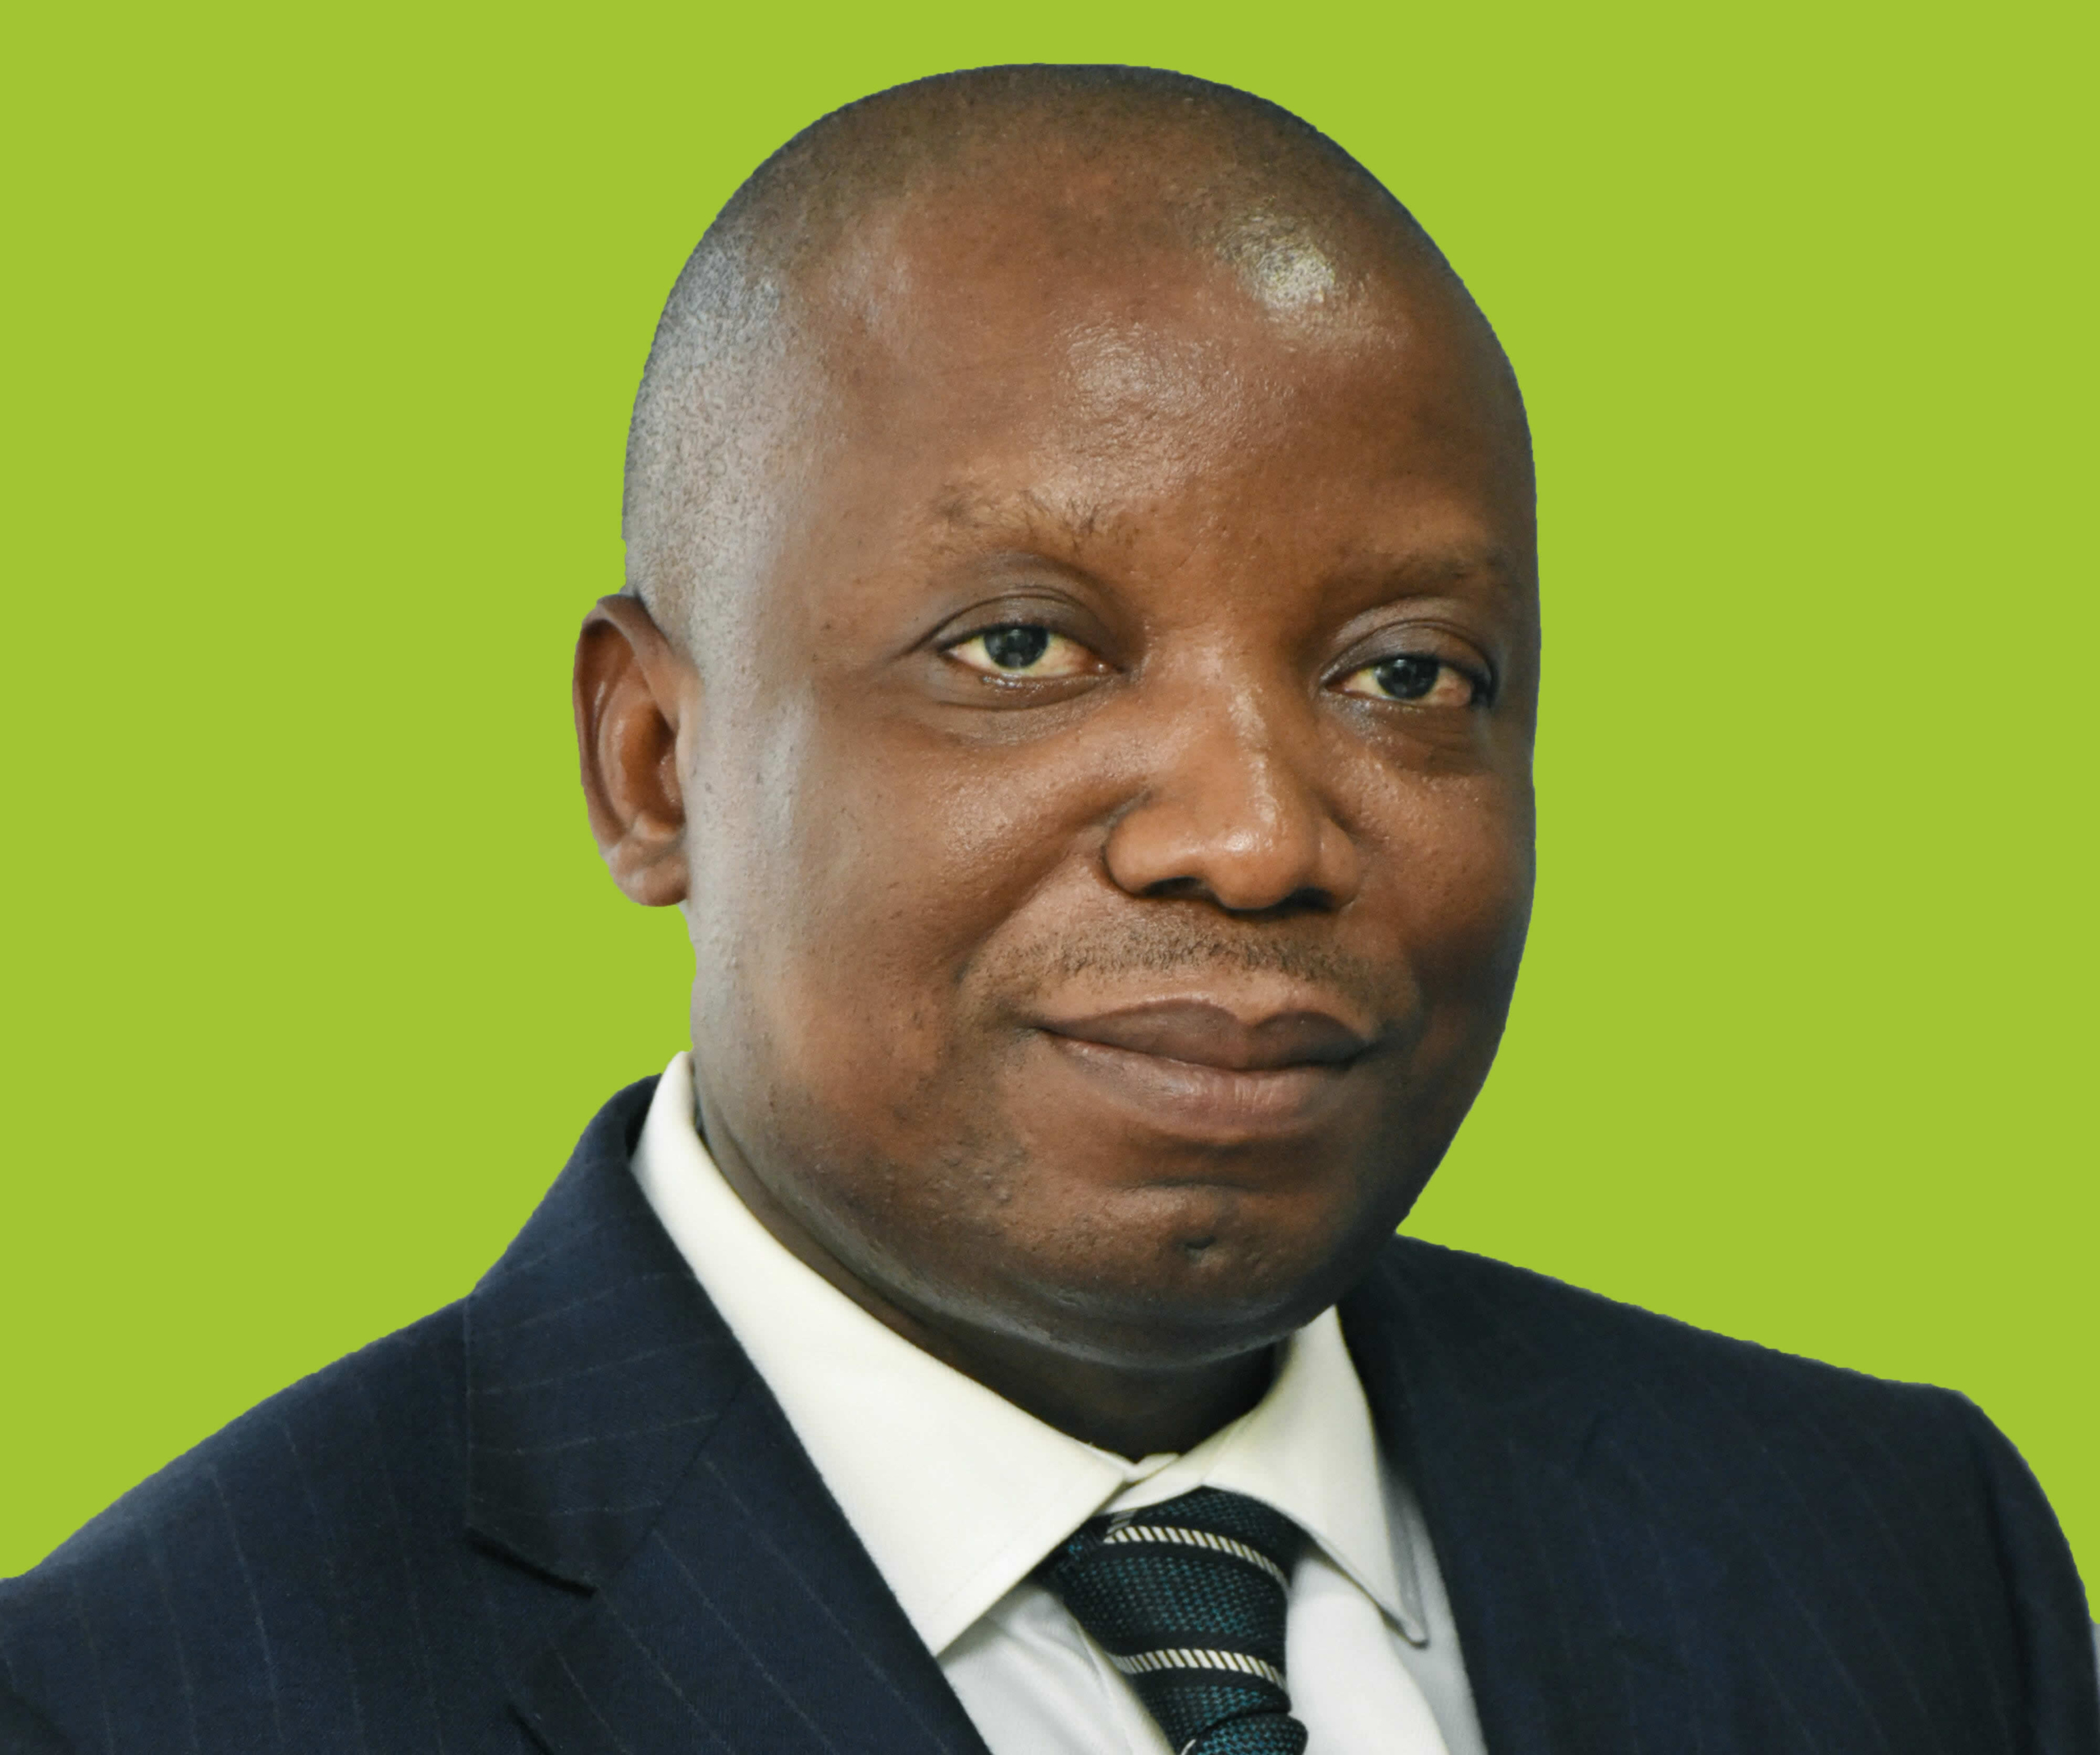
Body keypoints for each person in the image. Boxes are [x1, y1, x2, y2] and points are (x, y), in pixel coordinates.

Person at [0, 63, 2091, 1755]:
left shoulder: (1899, 1556)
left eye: (1405, 672)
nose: (1252, 835)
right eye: (1018, 647)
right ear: (653, 763)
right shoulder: (141, 1698)